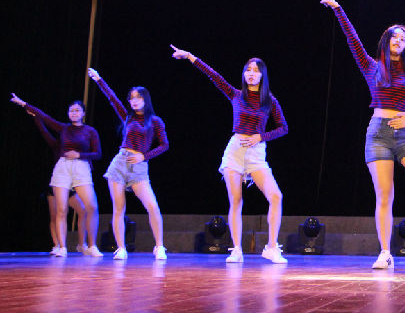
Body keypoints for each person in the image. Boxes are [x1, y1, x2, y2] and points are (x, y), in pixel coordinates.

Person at [320, 0, 405, 270]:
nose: (398, 41)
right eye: (394, 37)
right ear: (386, 41)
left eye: (403, 39)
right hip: (378, 134)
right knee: (385, 194)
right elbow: (352, 40)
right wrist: (338, 9)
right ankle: (386, 252)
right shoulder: (371, 66)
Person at [170, 46, 288, 264]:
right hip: (235, 151)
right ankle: (236, 249)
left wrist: (260, 137)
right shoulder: (236, 94)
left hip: (256, 153)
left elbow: (283, 128)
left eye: (256, 70)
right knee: (236, 200)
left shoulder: (269, 100)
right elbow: (214, 76)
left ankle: (272, 247)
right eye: (248, 69)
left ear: (262, 75)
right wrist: (190, 57)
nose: (251, 73)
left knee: (275, 196)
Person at [87, 68, 169, 260]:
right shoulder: (128, 116)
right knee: (119, 208)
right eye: (131, 98)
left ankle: (159, 246)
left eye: (138, 97)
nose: (134, 100)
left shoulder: (155, 121)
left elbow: (165, 145)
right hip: (120, 164)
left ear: (145, 99)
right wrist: (99, 79)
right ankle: (121, 248)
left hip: (139, 167)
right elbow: (112, 98)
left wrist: (144, 156)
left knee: (152, 206)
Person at [10, 93, 101, 257]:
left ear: (83, 113)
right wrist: (23, 103)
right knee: (61, 209)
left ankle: (91, 246)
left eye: (77, 110)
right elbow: (44, 116)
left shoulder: (90, 131)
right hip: (63, 167)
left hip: (81, 167)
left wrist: (79, 155)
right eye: (71, 110)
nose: (74, 113)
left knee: (92, 206)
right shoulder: (63, 128)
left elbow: (98, 154)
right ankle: (62, 247)